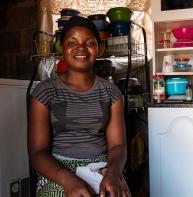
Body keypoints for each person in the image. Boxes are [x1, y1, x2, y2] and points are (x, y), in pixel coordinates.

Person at [27, 16, 131, 197]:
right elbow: (37, 153)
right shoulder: (45, 92)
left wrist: (114, 173)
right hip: (57, 169)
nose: (81, 48)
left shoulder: (111, 92)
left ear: (99, 49)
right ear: (62, 49)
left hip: (101, 167)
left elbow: (118, 145)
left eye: (89, 43)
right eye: (72, 43)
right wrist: (68, 180)